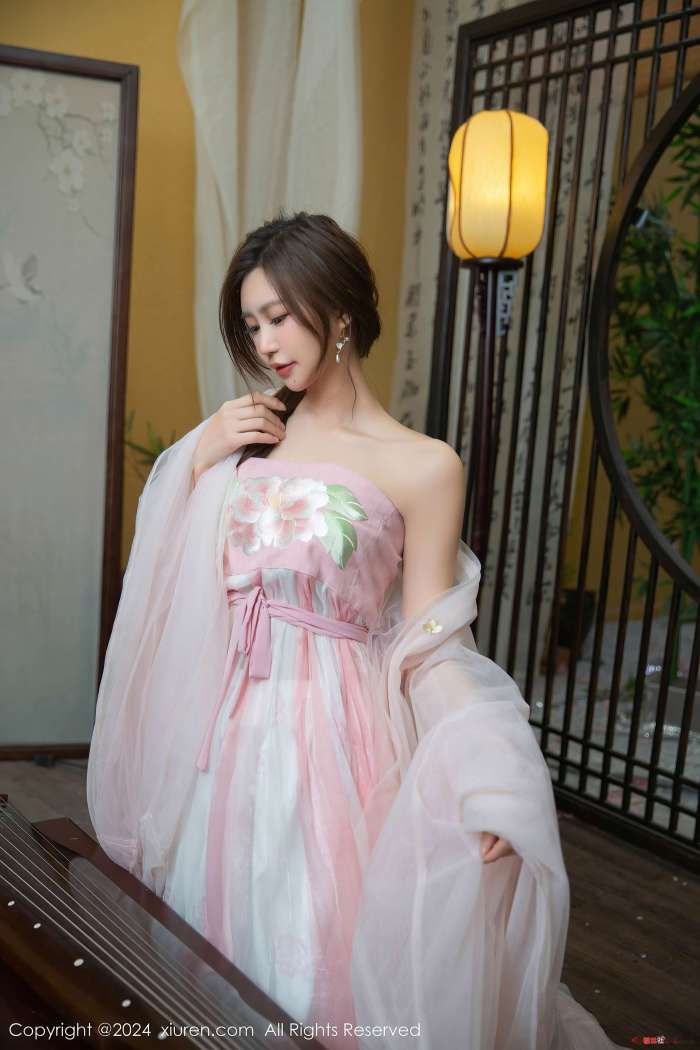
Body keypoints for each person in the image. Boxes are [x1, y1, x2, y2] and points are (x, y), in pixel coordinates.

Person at [87, 212, 627, 1049]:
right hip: (223, 738)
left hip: (336, 740)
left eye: (280, 316)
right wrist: (199, 455)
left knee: (320, 958)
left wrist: (486, 773)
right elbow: (167, 585)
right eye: (252, 324)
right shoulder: (246, 438)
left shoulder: (424, 464)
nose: (266, 343)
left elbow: (432, 640)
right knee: (207, 956)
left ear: (338, 309)